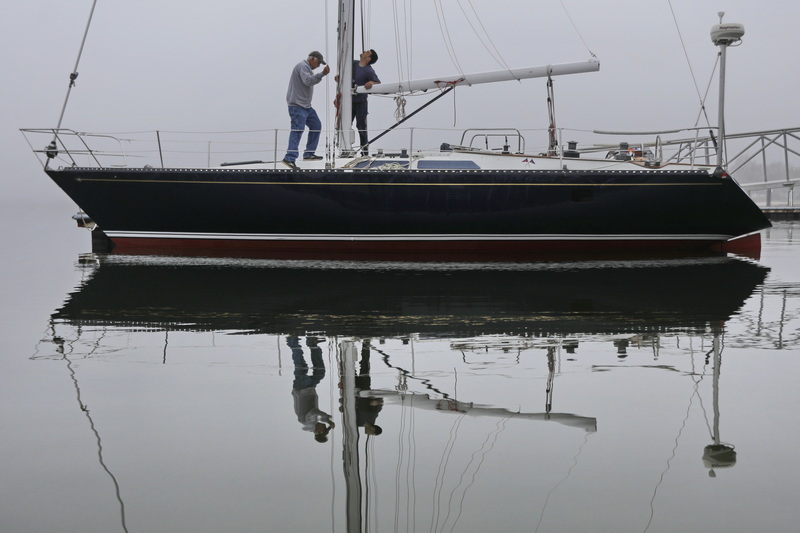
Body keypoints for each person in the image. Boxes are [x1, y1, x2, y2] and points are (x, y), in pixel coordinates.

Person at [283, 51, 330, 169]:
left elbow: (310, 80)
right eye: (318, 63)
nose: (318, 66)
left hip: (306, 106)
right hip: (297, 106)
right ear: (312, 59)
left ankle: (309, 153)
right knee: (297, 130)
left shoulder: (306, 68)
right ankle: (289, 158)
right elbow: (308, 81)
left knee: (316, 126)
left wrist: (320, 75)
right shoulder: (303, 66)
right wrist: (322, 74)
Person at [288, 336, 336, 443]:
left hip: (301, 388)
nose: (323, 426)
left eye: (323, 429)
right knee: (320, 372)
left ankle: (292, 340)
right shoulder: (313, 423)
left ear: (318, 432)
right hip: (309, 388)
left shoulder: (307, 423)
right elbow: (319, 418)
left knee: (301, 366)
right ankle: (312, 344)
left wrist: (327, 418)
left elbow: (314, 412)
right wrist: (327, 420)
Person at [351, 49, 380, 155]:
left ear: (368, 59)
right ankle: (345, 148)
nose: (363, 51)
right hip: (348, 102)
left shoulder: (368, 71)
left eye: (367, 52)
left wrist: (371, 82)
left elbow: (378, 83)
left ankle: (364, 152)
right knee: (344, 125)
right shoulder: (353, 64)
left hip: (360, 102)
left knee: (361, 127)